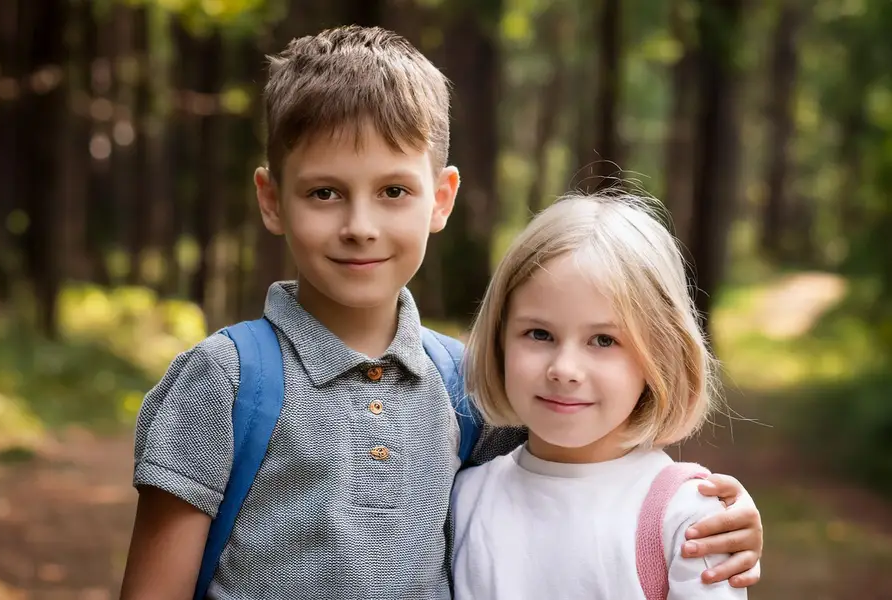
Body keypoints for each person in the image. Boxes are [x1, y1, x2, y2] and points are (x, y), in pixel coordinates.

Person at [120, 26, 763, 600]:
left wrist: (706, 518)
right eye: (324, 193)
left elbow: (577, 476)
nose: (360, 226)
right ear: (272, 199)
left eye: (394, 190)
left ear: (442, 198)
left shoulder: (469, 387)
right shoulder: (222, 382)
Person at [452, 192, 756, 599]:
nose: (564, 369)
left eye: (603, 339)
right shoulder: (463, 498)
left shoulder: (685, 518)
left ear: (659, 355)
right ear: (500, 340)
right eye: (539, 334)